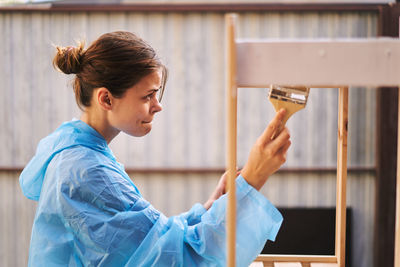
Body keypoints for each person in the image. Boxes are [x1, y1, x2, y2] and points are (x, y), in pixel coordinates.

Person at [19, 31, 291, 267]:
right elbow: (177, 259)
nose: (157, 105)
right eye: (148, 95)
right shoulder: (87, 171)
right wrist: (253, 177)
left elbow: (150, 239)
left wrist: (209, 210)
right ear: (106, 98)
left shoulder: (78, 152)